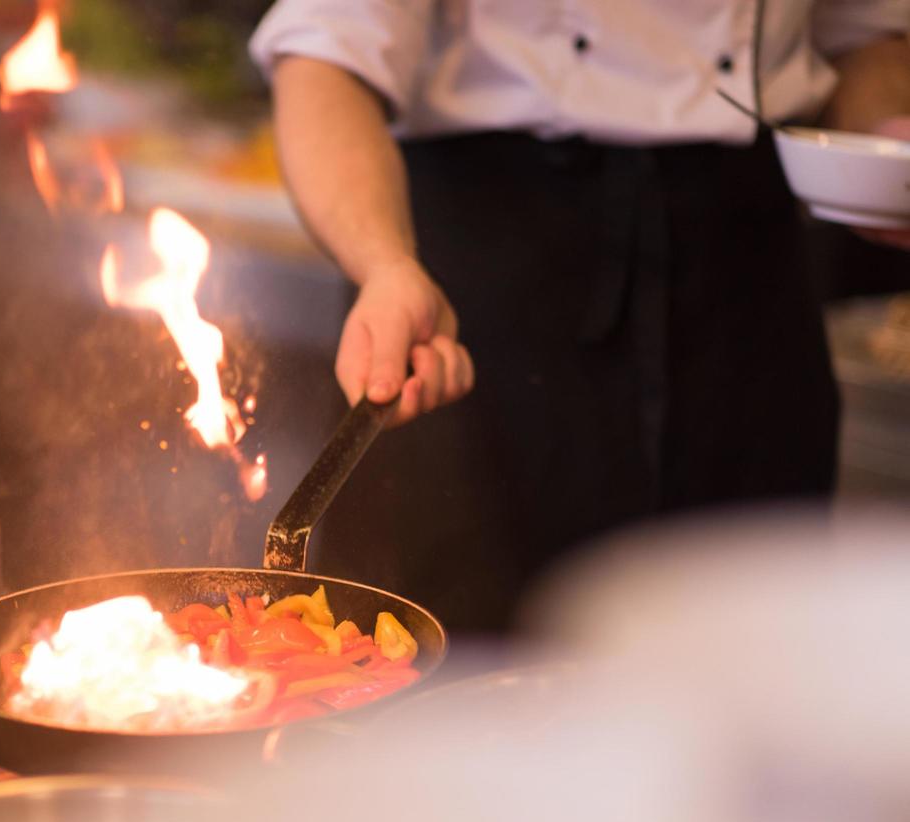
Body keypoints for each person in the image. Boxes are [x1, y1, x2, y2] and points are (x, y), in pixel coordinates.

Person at [250, 1, 910, 632]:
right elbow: (323, 52)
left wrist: (887, 147)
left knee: (752, 637)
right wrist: (385, 265)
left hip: (745, 271)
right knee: (463, 643)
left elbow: (864, 34)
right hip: (493, 272)